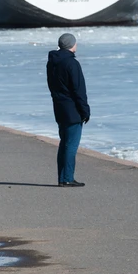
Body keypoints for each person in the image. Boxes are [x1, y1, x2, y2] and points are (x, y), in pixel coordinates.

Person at [47, 33, 90, 187]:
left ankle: (63, 177)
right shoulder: (72, 64)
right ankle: (67, 178)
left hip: (59, 107)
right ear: (72, 45)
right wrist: (85, 110)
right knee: (71, 144)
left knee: (64, 143)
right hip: (73, 110)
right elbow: (79, 90)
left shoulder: (52, 62)